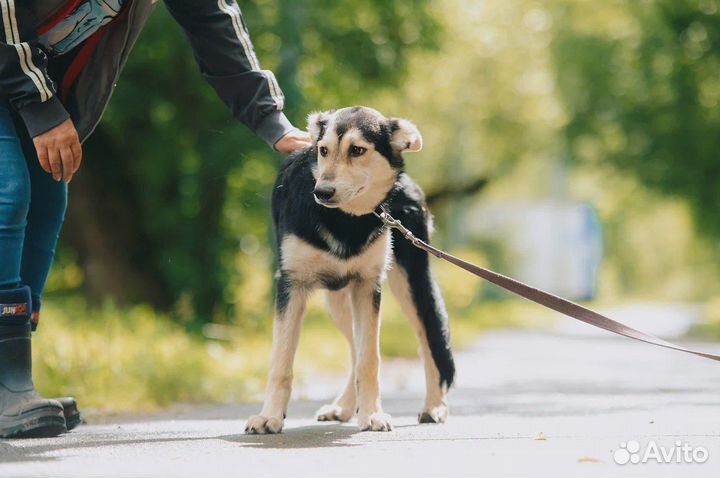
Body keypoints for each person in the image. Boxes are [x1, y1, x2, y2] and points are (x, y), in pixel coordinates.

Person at [0, 0, 311, 438]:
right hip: (16, 70)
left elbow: (211, 17)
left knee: (48, 199)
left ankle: (12, 377)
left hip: (24, 78)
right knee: (8, 192)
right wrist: (40, 104)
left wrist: (270, 119)